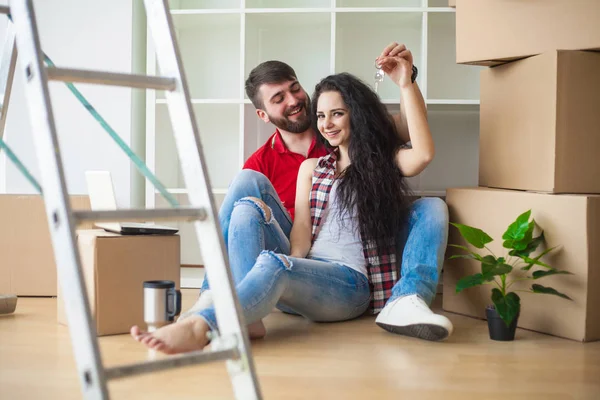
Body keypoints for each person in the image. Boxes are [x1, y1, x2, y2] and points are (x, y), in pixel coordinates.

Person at [130, 51, 452, 354]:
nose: (325, 122)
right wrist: (291, 265)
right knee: (247, 204)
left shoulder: (379, 161)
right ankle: (230, 305)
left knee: (433, 205)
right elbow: (301, 234)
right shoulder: (308, 168)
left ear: (355, 115)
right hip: (303, 272)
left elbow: (420, 148)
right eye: (322, 115)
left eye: (336, 113)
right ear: (263, 114)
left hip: (350, 279)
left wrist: (406, 81)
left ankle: (204, 326)